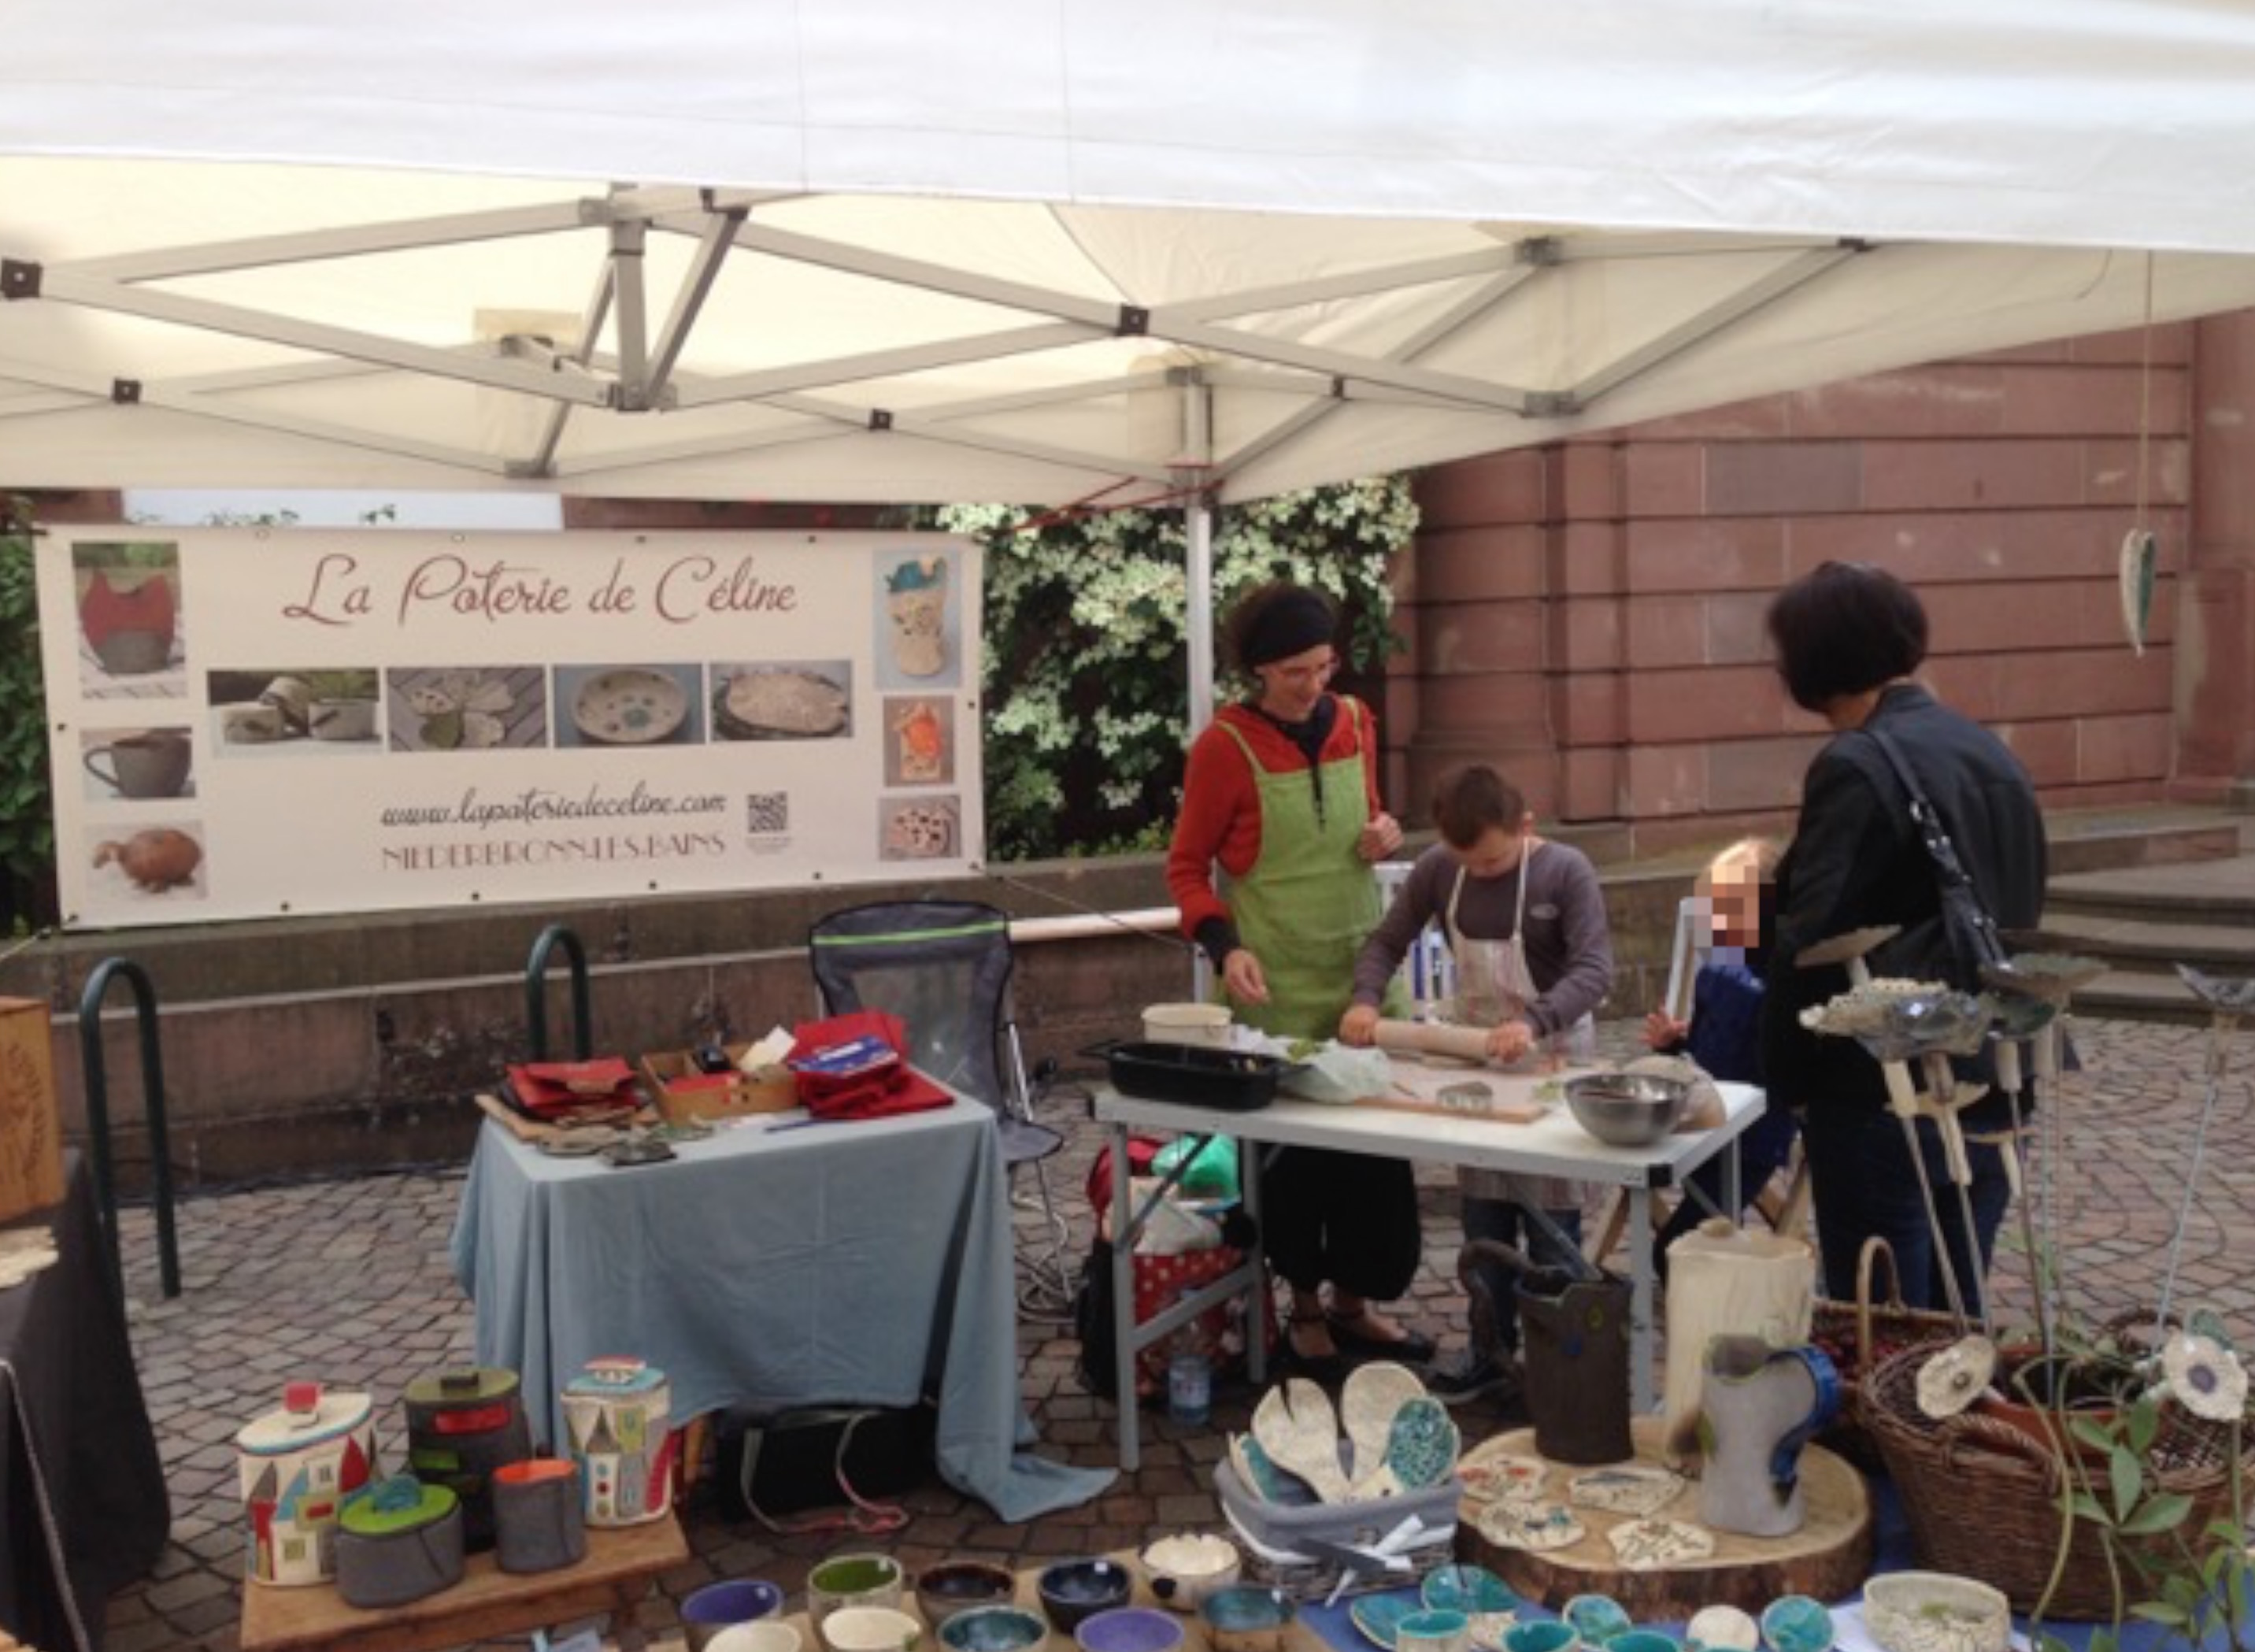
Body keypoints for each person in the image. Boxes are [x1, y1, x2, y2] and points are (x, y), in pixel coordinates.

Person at [1759, 560, 2046, 1311]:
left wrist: (1783, 1081)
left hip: (1884, 1084)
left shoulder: (1855, 764)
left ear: (1812, 661)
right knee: (1957, 1315)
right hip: (1996, 1063)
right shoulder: (1988, 750)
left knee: (1884, 1324)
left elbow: (1806, 939)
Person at [1165, 580, 1431, 1376]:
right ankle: (1305, 1309)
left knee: (1376, 1154)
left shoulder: (1356, 722)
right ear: (1258, 670)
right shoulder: (1224, 747)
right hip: (1272, 984)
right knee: (1294, 1164)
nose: (1313, 683)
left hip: (1359, 977)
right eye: (1294, 672)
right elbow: (1186, 868)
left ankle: (1354, 1301)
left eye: (1322, 666)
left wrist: (1384, 831)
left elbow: (1371, 816)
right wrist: (1224, 946)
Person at [1340, 764, 1614, 1403]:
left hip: (1552, 1060)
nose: (1481, 871)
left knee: (1550, 1225)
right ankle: (1489, 1350)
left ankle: (1559, 1362)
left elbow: (1595, 969)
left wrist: (1535, 1021)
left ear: (1525, 826)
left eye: (1493, 861)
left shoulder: (1566, 871)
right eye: (1469, 861)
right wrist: (1365, 999)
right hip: (1478, 1064)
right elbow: (1386, 943)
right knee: (1483, 1216)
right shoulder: (1439, 870)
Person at [1642, 837, 1798, 1271]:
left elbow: (1763, 1061)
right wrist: (1675, 1043)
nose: (1717, 924)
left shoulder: (1779, 979)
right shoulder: (1718, 969)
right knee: (1703, 1232)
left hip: (1752, 1138)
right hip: (1704, 1126)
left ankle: (1720, 1298)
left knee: (1677, 1250)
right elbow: (1707, 1048)